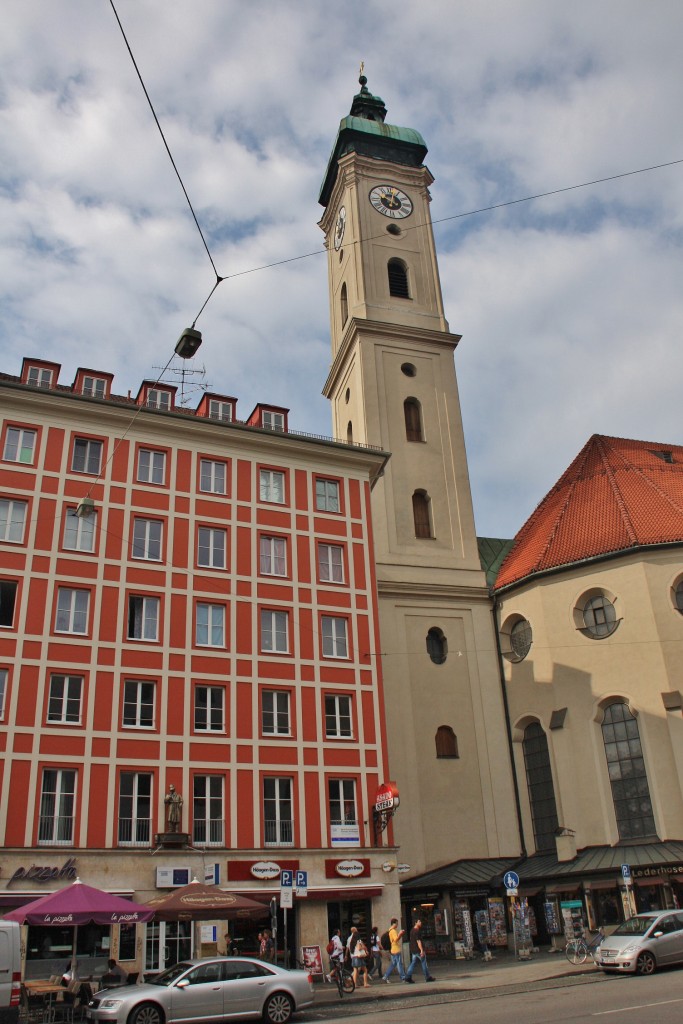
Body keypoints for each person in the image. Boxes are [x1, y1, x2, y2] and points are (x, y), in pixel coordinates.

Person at [382, 918, 406, 983]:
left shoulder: (390, 931)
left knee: (393, 964)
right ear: (394, 923)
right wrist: (400, 934)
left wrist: (400, 934)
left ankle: (386, 976)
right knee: (399, 964)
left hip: (393, 949)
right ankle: (403, 977)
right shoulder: (393, 931)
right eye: (397, 923)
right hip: (396, 949)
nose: (397, 924)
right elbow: (396, 939)